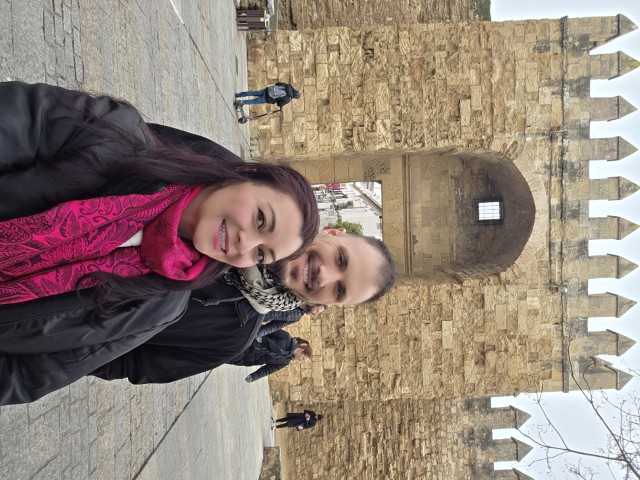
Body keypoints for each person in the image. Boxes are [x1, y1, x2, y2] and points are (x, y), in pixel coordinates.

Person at [0, 81, 320, 404]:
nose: (244, 242)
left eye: (260, 254)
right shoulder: (116, 136)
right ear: (247, 173)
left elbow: (38, 372)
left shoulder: (160, 307)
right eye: (261, 219)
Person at [227, 330, 312, 383]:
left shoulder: (286, 361)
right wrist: (250, 332)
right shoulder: (285, 337)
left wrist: (253, 377)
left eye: (303, 360)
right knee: (224, 345)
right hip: (248, 343)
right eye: (303, 358)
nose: (301, 360)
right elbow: (266, 330)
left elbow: (267, 370)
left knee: (222, 359)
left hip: (246, 359)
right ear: (301, 350)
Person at [234, 82, 301, 108]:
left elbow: (278, 83)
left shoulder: (288, 86)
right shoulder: (288, 99)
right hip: (268, 98)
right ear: (295, 97)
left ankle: (239, 94)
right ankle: (240, 102)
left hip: (267, 90)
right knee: (254, 101)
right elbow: (279, 104)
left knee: (253, 92)